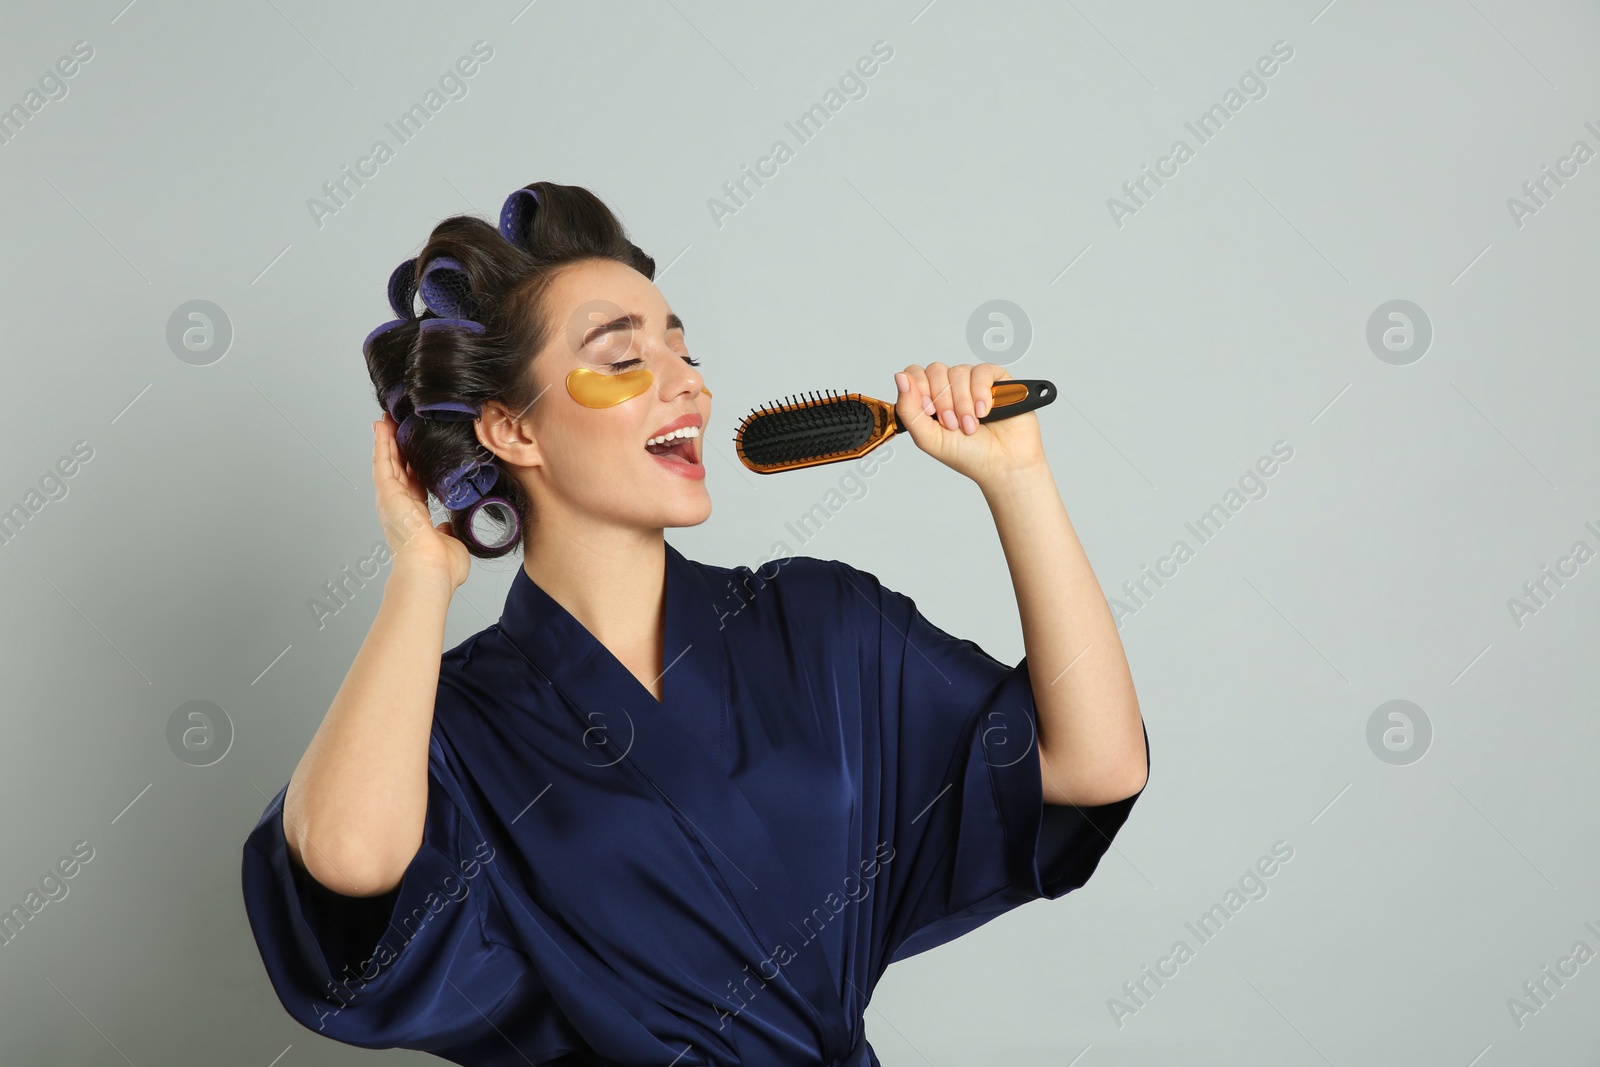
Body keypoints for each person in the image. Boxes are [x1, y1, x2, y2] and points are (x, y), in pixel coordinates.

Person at [239, 180, 1149, 1067]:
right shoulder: (457, 723)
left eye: (686, 353)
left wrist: (1017, 477)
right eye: (624, 358)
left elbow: (1096, 764)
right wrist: (422, 572)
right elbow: (349, 855)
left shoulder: (817, 621)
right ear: (513, 431)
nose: (689, 388)